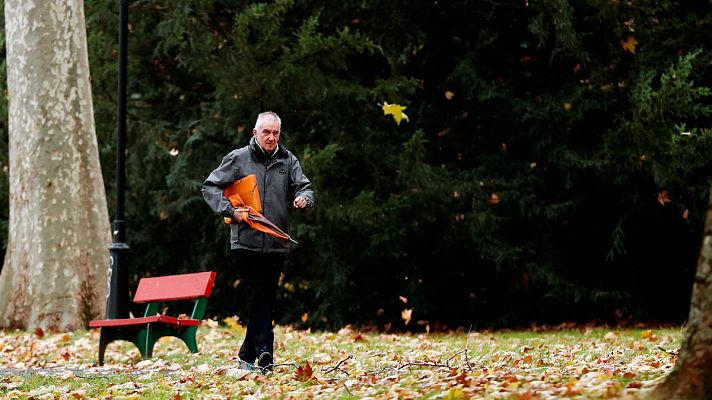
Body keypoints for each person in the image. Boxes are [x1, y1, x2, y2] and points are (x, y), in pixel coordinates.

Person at [202, 111, 314, 372]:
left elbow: (304, 187)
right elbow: (210, 186)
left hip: (276, 242)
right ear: (255, 133)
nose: (271, 137)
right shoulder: (238, 158)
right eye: (266, 132)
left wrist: (304, 199)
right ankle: (266, 355)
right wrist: (231, 211)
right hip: (246, 242)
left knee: (266, 299)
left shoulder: (289, 160)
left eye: (275, 133)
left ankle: (245, 356)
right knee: (258, 297)